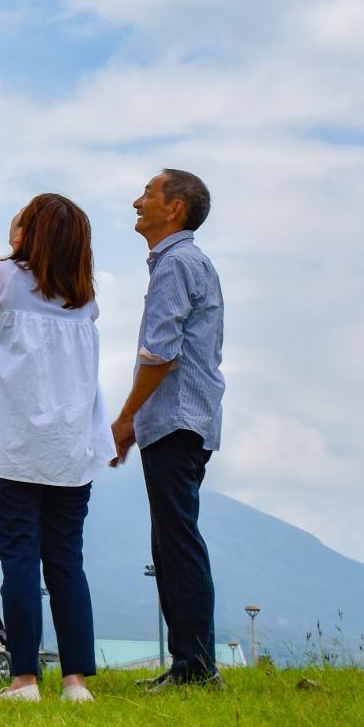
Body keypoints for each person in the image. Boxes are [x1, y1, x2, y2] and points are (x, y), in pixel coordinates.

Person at [0, 194, 114, 703]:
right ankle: (76, 682)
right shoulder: (85, 296)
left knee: (19, 560)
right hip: (71, 450)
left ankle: (24, 680)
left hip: (15, 446)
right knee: (66, 563)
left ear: (31, 232)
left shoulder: (3, 278)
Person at [110, 169, 225, 692]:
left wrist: (128, 415)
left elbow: (160, 352)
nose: (138, 201)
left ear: (173, 208)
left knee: (177, 541)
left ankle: (195, 666)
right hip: (181, 419)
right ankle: (189, 662)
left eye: (148, 194)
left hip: (176, 418)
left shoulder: (176, 264)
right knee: (173, 539)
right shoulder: (184, 262)